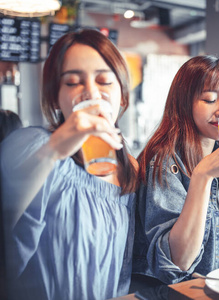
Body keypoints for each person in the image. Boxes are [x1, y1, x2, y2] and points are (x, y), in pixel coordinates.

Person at [0, 29, 138, 299]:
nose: (90, 93)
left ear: (122, 96)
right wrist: (53, 150)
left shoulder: (131, 168)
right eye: (73, 82)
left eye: (104, 81)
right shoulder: (32, 146)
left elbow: (124, 268)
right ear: (55, 98)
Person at [133, 55, 219, 285]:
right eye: (209, 99)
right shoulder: (164, 162)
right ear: (184, 104)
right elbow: (177, 264)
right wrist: (202, 176)